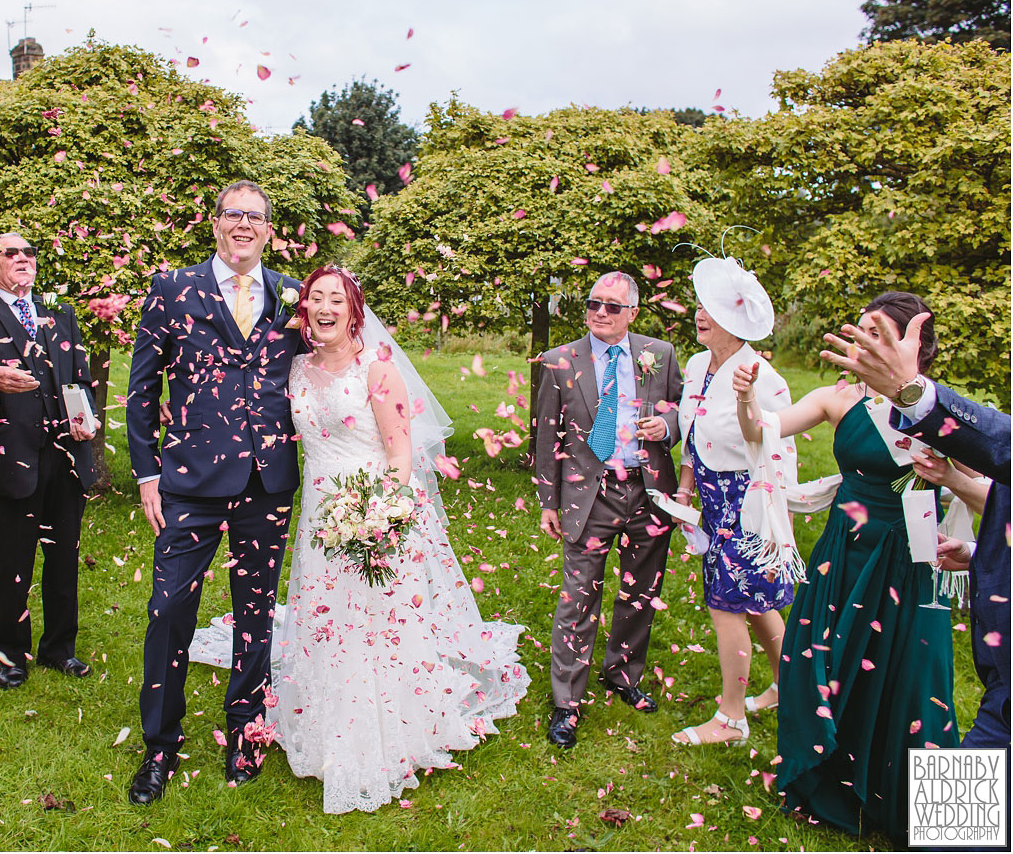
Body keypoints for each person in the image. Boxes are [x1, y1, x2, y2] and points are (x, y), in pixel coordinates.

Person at [191, 264, 529, 813]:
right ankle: (329, 717)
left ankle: (392, 724)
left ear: (355, 311)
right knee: (329, 616)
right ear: (303, 310)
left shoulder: (377, 369)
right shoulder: (295, 370)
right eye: (314, 299)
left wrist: (382, 519)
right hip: (320, 515)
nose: (325, 308)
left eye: (336, 299)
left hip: (376, 511)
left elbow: (400, 455)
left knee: (381, 620)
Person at [734, 291, 959, 846]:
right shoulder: (838, 399)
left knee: (905, 670)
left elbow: (979, 483)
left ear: (914, 346)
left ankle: (931, 812)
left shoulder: (942, 410)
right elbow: (762, 429)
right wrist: (744, 398)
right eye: (858, 330)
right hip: (843, 549)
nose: (861, 342)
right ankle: (822, 777)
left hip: (906, 554)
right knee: (820, 654)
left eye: (875, 332)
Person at [125, 180, 303, 804]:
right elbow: (143, 389)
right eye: (235, 215)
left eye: (257, 216)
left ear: (269, 230)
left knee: (256, 615)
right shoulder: (172, 289)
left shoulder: (291, 295)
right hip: (189, 483)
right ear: (217, 224)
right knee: (169, 608)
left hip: (268, 481)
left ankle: (246, 730)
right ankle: (160, 744)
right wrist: (147, 473)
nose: (245, 225)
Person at [820, 308, 1009, 750]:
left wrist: (906, 390)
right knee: (956, 817)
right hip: (1004, 694)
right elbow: (1001, 447)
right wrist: (979, 550)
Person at [535, 271, 683, 749]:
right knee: (578, 597)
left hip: (648, 490)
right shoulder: (560, 362)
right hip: (589, 496)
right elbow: (546, 437)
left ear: (632, 313)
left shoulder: (659, 355)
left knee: (641, 591)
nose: (601, 312)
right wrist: (548, 501)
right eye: (594, 303)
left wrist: (668, 425)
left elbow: (684, 409)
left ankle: (623, 674)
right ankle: (567, 702)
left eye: (613, 306)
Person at [0, 232, 98, 690]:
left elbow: (80, 377)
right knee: (11, 561)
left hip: (64, 455)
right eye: (10, 253)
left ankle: (59, 649)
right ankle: (11, 654)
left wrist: (85, 419)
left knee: (63, 557)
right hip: (10, 457)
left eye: (29, 252)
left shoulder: (60, 313)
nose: (23, 259)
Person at [670, 258, 798, 747]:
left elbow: (779, 451)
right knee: (756, 604)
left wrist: (768, 524)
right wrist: (685, 486)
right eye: (700, 305)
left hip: (748, 503)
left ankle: (730, 719)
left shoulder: (762, 378)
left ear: (737, 320)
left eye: (712, 309)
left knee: (728, 605)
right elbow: (693, 429)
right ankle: (790, 688)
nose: (699, 314)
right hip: (711, 497)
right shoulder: (700, 364)